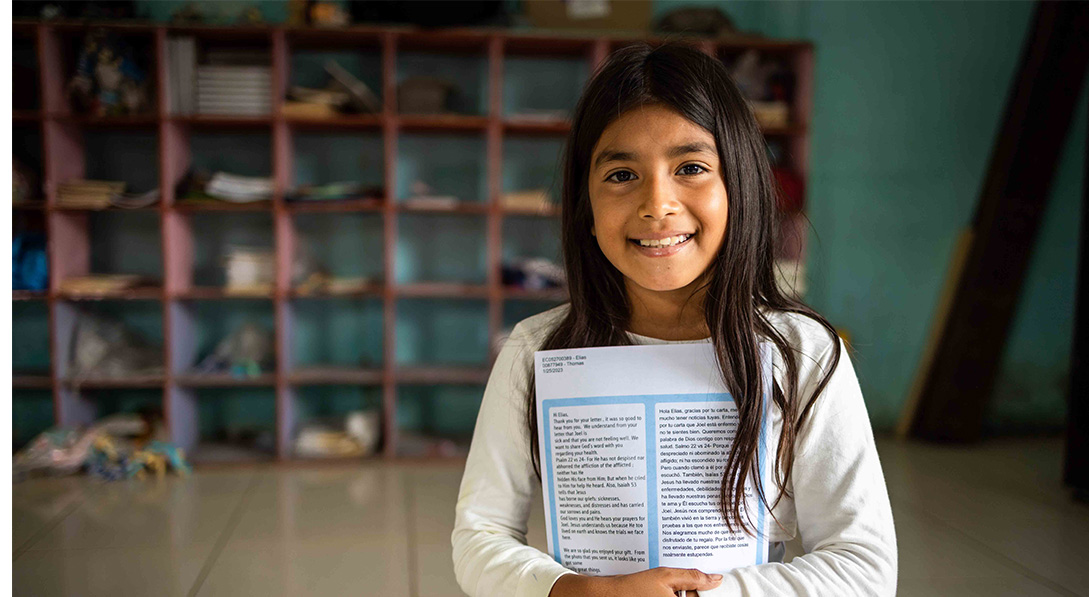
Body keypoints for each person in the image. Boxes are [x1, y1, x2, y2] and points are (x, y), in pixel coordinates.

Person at [452, 43, 896, 597]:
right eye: (620, 175)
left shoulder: (802, 352)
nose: (657, 204)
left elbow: (862, 566)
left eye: (691, 168)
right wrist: (580, 591)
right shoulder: (537, 350)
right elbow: (479, 536)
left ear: (740, 187)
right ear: (585, 207)